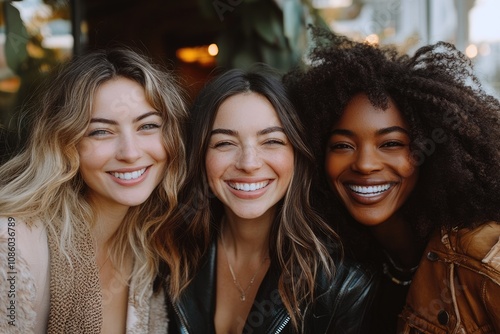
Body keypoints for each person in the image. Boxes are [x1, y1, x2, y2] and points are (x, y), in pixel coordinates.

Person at [284, 27, 500, 333]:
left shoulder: (483, 258)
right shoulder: (335, 263)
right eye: (342, 146)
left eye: (391, 144)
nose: (365, 165)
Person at [153, 66, 378, 334]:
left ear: (297, 154)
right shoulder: (167, 254)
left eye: (271, 141)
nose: (249, 163)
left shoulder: (342, 285)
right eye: (224, 143)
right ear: (200, 156)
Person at [0, 47, 188, 333]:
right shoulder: (13, 247)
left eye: (147, 126)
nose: (130, 152)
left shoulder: (150, 246)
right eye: (100, 131)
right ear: (65, 142)